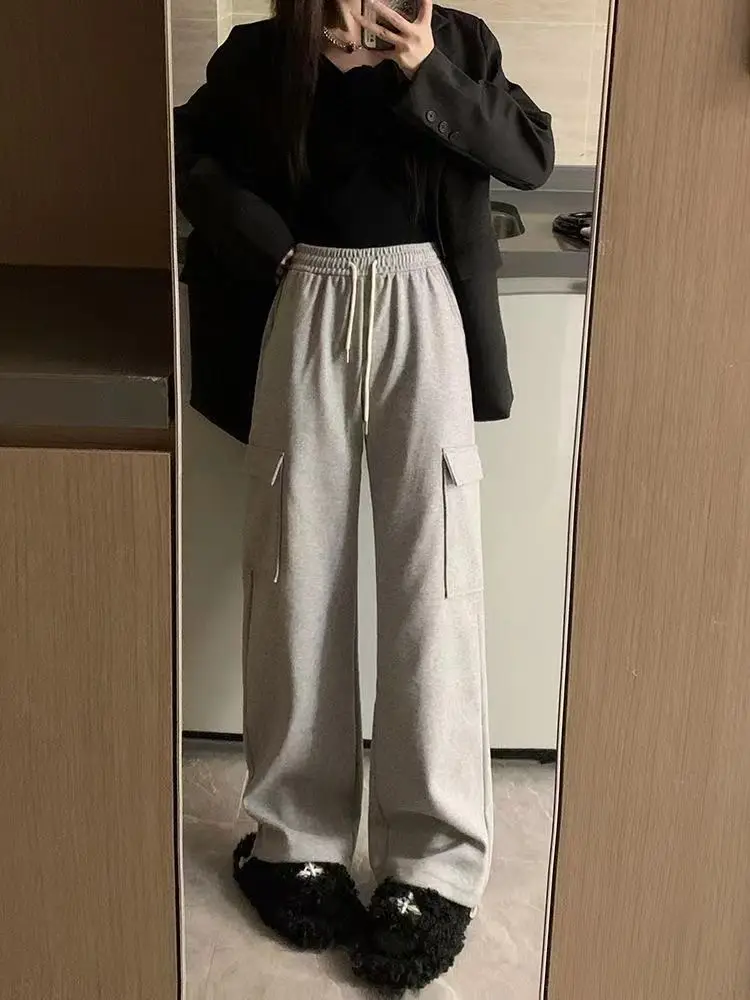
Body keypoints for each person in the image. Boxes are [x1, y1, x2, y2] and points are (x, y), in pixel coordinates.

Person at [174, 0, 553, 989]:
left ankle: (432, 862)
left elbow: (528, 156)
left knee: (435, 591)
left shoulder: (457, 41)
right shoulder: (264, 53)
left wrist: (427, 69)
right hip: (302, 304)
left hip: (425, 313)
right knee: (293, 581)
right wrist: (262, 239)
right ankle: (295, 840)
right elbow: (187, 155)